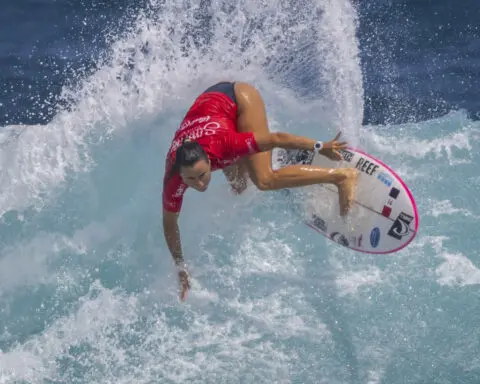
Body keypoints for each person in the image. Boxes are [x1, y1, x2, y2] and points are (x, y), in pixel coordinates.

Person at [163, 81, 358, 301]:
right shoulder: (174, 178)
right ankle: (280, 166)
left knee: (264, 180)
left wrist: (321, 146)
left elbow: (276, 139)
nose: (200, 184)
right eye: (190, 179)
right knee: (239, 187)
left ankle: (341, 177)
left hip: (237, 98)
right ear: (180, 174)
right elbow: (170, 223)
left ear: (209, 161)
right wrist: (180, 266)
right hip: (213, 114)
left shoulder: (226, 145)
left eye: (202, 175)